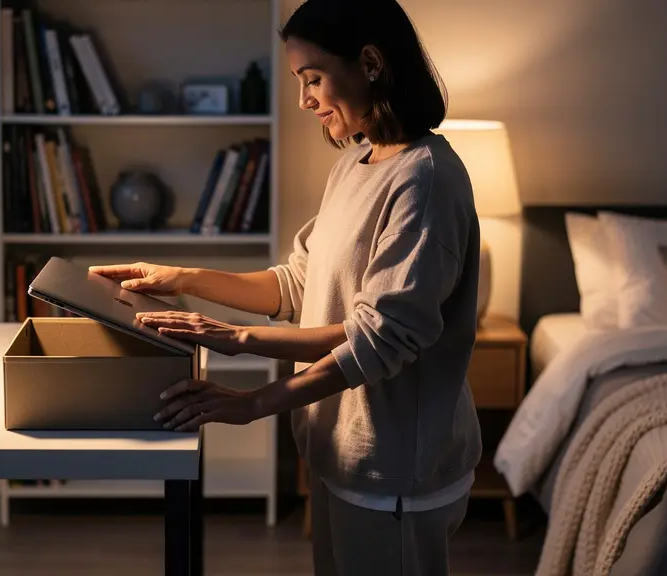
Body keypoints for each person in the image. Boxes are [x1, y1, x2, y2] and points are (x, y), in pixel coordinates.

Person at [90, 0, 481, 573]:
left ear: (370, 63)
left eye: (313, 79)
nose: (304, 100)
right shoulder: (356, 163)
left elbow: (380, 340)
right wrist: (183, 278)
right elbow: (298, 284)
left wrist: (250, 385)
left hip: (393, 465)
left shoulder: (425, 180)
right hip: (337, 450)